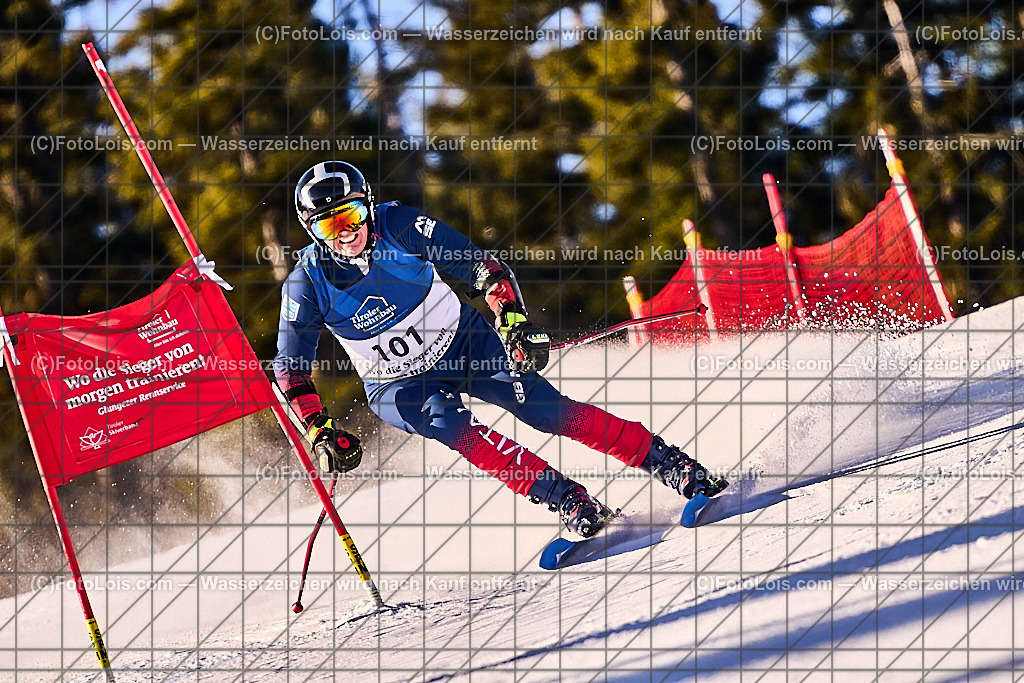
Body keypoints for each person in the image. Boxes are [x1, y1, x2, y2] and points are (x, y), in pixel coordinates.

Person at [273, 161, 727, 538]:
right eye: (328, 225)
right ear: (312, 231)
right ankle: (569, 499)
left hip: (464, 343)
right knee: (454, 426)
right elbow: (290, 369)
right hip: (396, 384)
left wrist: (512, 321)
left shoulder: (399, 225)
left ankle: (671, 463)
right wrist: (319, 429)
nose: (345, 233)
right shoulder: (306, 283)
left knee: (546, 412)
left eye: (351, 216)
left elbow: (482, 267)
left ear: (368, 206)